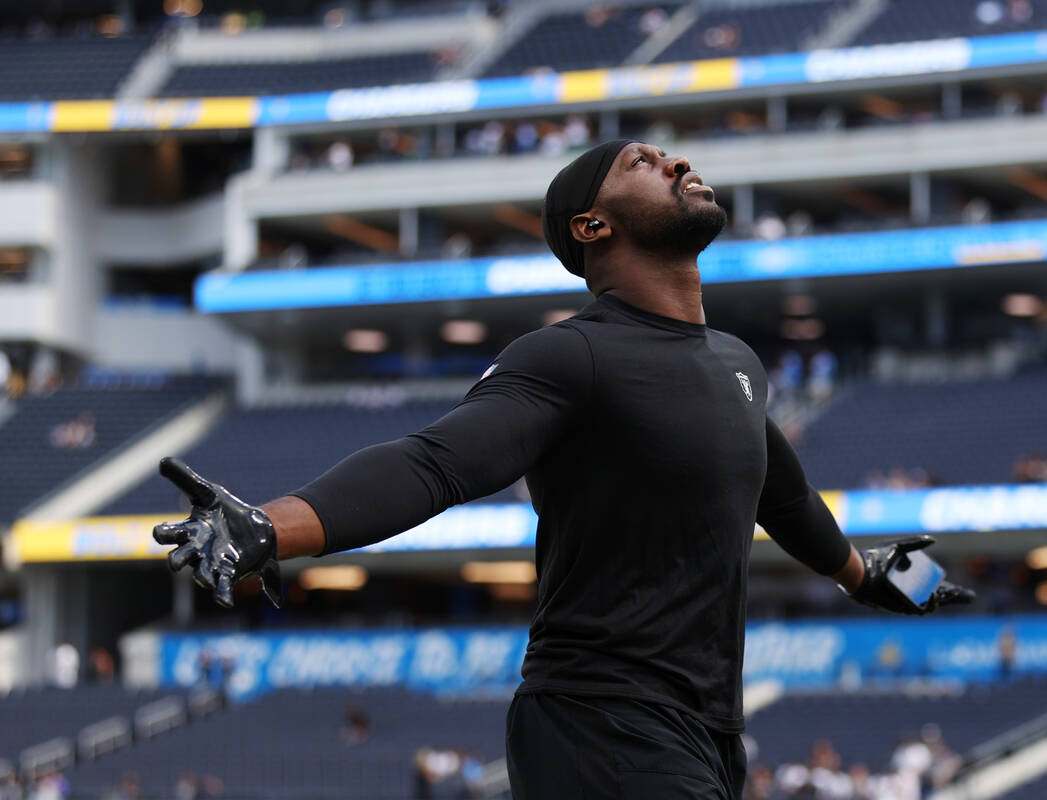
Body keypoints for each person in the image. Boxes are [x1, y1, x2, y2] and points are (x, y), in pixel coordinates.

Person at [152, 140, 973, 799]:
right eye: (642, 164)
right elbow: (436, 463)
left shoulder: (737, 363)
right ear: (592, 227)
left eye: (671, 157)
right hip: (597, 722)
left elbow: (784, 498)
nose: (679, 163)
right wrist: (269, 526)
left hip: (706, 734)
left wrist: (870, 578)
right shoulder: (568, 356)